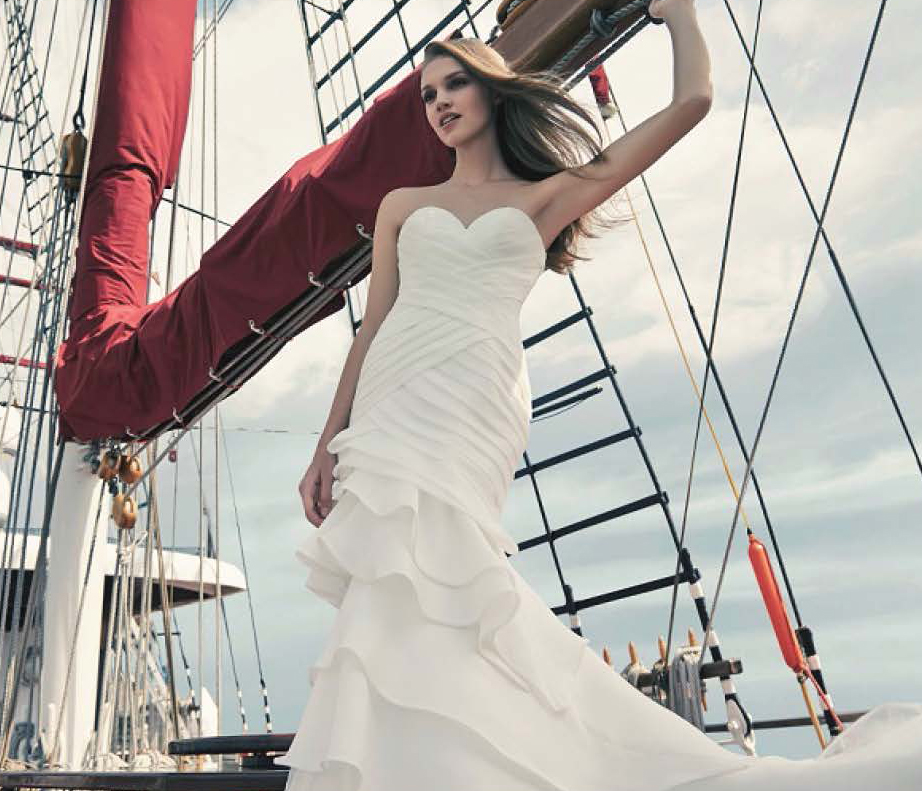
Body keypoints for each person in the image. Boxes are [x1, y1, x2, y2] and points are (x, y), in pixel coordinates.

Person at [276, 1, 738, 789]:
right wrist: (325, 442)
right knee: (390, 575)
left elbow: (690, 104)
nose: (440, 102)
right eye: (427, 95)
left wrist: (678, 11)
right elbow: (371, 325)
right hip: (393, 398)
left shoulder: (544, 197)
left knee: (451, 570)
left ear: (492, 91)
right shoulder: (401, 208)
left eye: (454, 84)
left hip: (475, 398)